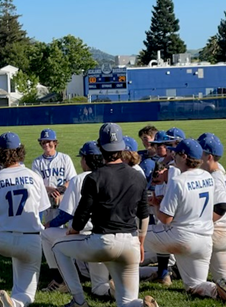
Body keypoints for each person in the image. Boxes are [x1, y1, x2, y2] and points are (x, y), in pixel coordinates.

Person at [52, 123, 157, 307]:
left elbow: (83, 212)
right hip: (131, 242)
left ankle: (78, 300)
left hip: (102, 242)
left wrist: (74, 230)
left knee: (58, 247)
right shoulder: (138, 175)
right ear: (122, 147)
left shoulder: (94, 177)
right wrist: (140, 242)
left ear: (101, 148)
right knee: (127, 302)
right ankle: (142, 305)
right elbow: (144, 214)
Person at [0, 132, 50, 306]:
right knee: (27, 295)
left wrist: (4, 225)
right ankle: (17, 302)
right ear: (20, 151)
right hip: (31, 240)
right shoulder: (34, 177)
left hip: (2, 239)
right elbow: (41, 212)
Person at [145, 139, 226, 300]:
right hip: (204, 240)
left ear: (183, 156)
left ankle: (119, 286)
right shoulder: (207, 176)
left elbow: (166, 218)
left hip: (180, 237)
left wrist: (155, 205)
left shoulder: (178, 181)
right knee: (194, 286)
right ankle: (217, 290)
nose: (173, 157)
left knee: (132, 238)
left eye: (175, 154)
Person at [41, 141, 112, 299]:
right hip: (108, 236)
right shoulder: (110, 176)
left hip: (82, 238)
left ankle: (59, 280)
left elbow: (65, 215)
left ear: (86, 160)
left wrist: (49, 224)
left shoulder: (78, 180)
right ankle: (112, 290)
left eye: (82, 158)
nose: (80, 162)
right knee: (99, 286)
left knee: (46, 235)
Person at [198, 134, 226, 283]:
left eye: (200, 153)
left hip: (217, 232)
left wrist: (205, 223)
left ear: (208, 157)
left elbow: (221, 206)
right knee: (222, 280)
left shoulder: (215, 177)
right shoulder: (216, 169)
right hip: (219, 233)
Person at [32, 129, 76, 223]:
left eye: (48, 141)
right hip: (47, 201)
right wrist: (50, 190)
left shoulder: (65, 159)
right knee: (49, 227)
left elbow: (72, 179)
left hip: (64, 200)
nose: (46, 145)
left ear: (55, 142)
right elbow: (36, 184)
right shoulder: (37, 162)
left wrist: (59, 190)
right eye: (43, 142)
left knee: (66, 227)